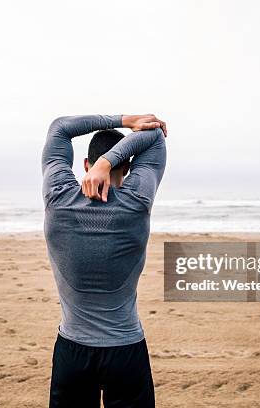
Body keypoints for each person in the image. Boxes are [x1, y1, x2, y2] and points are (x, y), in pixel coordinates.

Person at [42, 114, 167, 408]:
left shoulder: (57, 197)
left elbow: (60, 128)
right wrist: (107, 163)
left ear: (84, 165)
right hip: (125, 351)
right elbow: (156, 136)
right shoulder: (137, 201)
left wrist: (123, 118)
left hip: (72, 352)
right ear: (128, 167)